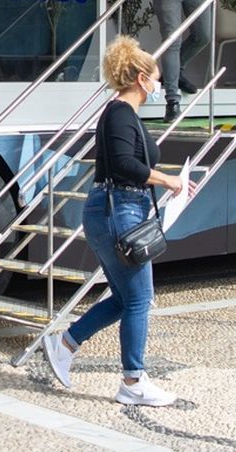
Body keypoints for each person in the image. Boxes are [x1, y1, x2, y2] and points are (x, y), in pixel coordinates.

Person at [40, 36, 186, 407]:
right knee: (139, 299)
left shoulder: (122, 114)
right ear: (141, 78)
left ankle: (65, 344)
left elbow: (128, 162)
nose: (158, 86)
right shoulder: (120, 113)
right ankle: (133, 382)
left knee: (124, 298)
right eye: (156, 79)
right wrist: (167, 180)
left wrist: (167, 181)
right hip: (118, 209)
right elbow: (123, 165)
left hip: (117, 208)